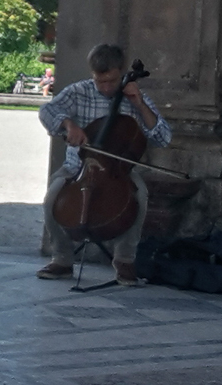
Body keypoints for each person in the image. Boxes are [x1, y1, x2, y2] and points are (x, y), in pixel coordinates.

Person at [37, 42, 171, 283]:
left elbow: (163, 137)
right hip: (76, 169)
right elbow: (47, 111)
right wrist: (68, 124)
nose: (106, 87)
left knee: (139, 196)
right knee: (52, 199)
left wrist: (140, 104)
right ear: (92, 74)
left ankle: (125, 259)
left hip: (118, 171)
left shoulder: (134, 97)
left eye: (112, 81)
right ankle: (62, 259)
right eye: (100, 81)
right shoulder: (79, 91)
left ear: (121, 72)